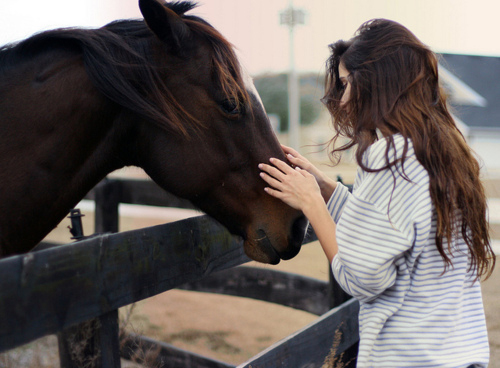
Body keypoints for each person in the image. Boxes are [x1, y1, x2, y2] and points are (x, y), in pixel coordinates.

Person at [258, 19, 496, 367]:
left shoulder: (389, 157)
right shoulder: (443, 151)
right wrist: (325, 189)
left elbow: (362, 278)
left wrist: (311, 204)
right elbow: (392, 231)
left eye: (345, 83)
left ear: (374, 81)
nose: (340, 99)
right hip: (458, 355)